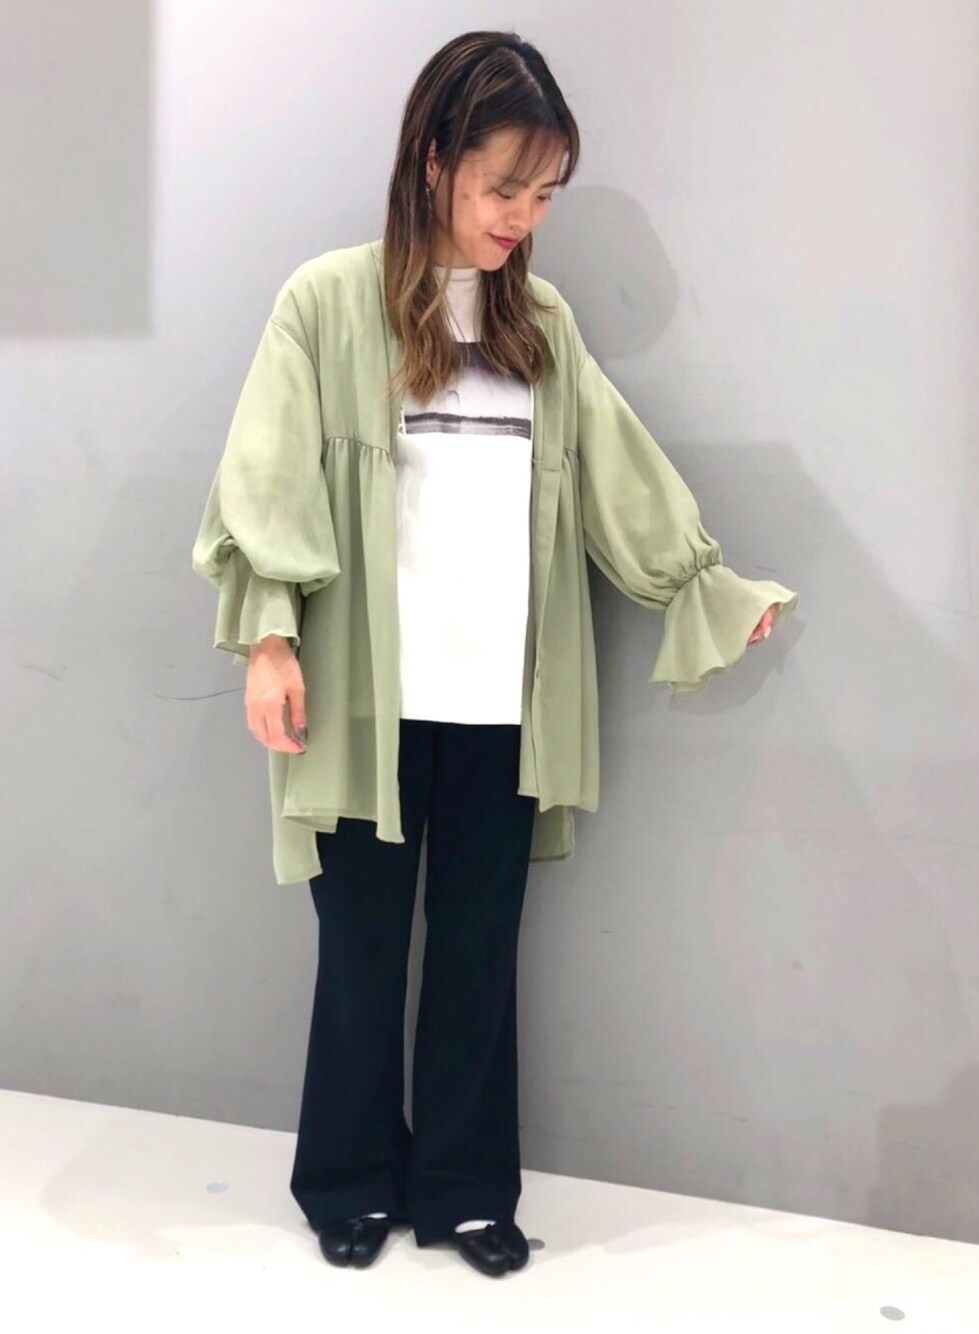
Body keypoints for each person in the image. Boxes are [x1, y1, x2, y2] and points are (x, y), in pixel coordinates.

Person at [191, 30, 799, 1279]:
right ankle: (347, 1177)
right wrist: (269, 637)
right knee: (360, 953)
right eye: (503, 186)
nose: (522, 216)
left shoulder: (542, 325)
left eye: (543, 193)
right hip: (362, 703)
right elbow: (266, 475)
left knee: (477, 953)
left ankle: (467, 1187)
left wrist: (700, 585)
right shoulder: (326, 303)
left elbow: (616, 478)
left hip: (503, 704)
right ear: (433, 163)